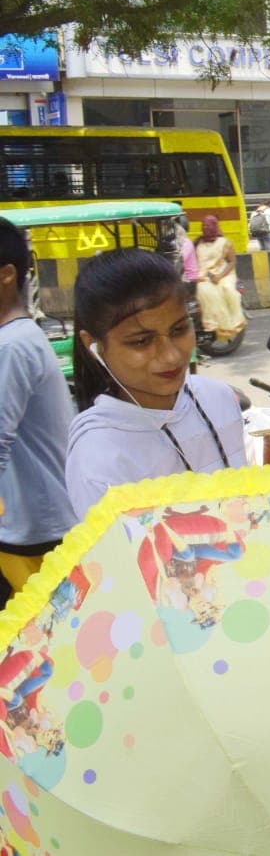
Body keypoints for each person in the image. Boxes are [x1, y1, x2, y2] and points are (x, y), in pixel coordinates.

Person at [65, 249, 247, 519]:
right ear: (94, 346)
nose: (171, 356)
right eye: (141, 341)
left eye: (179, 330)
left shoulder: (217, 397)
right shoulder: (100, 456)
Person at [0, 218, 77, 603]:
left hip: (33, 532)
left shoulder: (12, 347)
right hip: (33, 524)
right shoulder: (22, 336)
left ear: (6, 276)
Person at [193, 215, 246, 342]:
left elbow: (232, 262)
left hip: (223, 274)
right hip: (203, 276)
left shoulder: (224, 242)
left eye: (208, 226)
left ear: (214, 226)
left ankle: (228, 325)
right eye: (203, 226)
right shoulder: (198, 242)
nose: (205, 228)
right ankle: (211, 323)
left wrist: (220, 276)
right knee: (203, 289)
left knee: (227, 289)